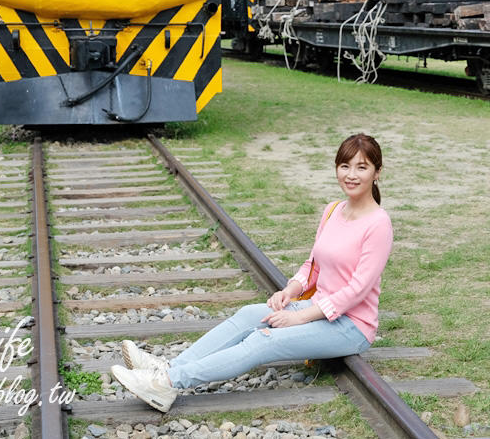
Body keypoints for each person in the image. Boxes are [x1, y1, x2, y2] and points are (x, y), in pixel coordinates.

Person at [110, 134, 393, 412]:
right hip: (315, 307)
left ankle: (166, 384)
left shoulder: (378, 224)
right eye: (345, 166)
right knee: (249, 315)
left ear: (377, 172)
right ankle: (170, 366)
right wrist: (289, 292)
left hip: (350, 326)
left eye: (362, 167)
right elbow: (313, 265)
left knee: (263, 340)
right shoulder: (333, 210)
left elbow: (357, 290)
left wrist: (298, 317)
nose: (351, 175)